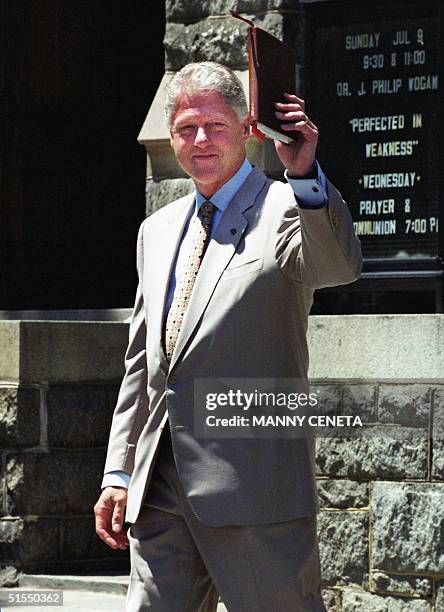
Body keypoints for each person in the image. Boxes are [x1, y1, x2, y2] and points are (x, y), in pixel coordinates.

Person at [94, 61, 362, 611]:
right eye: (186, 128)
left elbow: (337, 266)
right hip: (160, 490)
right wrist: (119, 471)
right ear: (171, 138)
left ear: (246, 129)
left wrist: (306, 175)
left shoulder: (289, 207)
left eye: (215, 126)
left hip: (256, 494)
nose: (200, 140)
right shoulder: (157, 229)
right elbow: (143, 361)